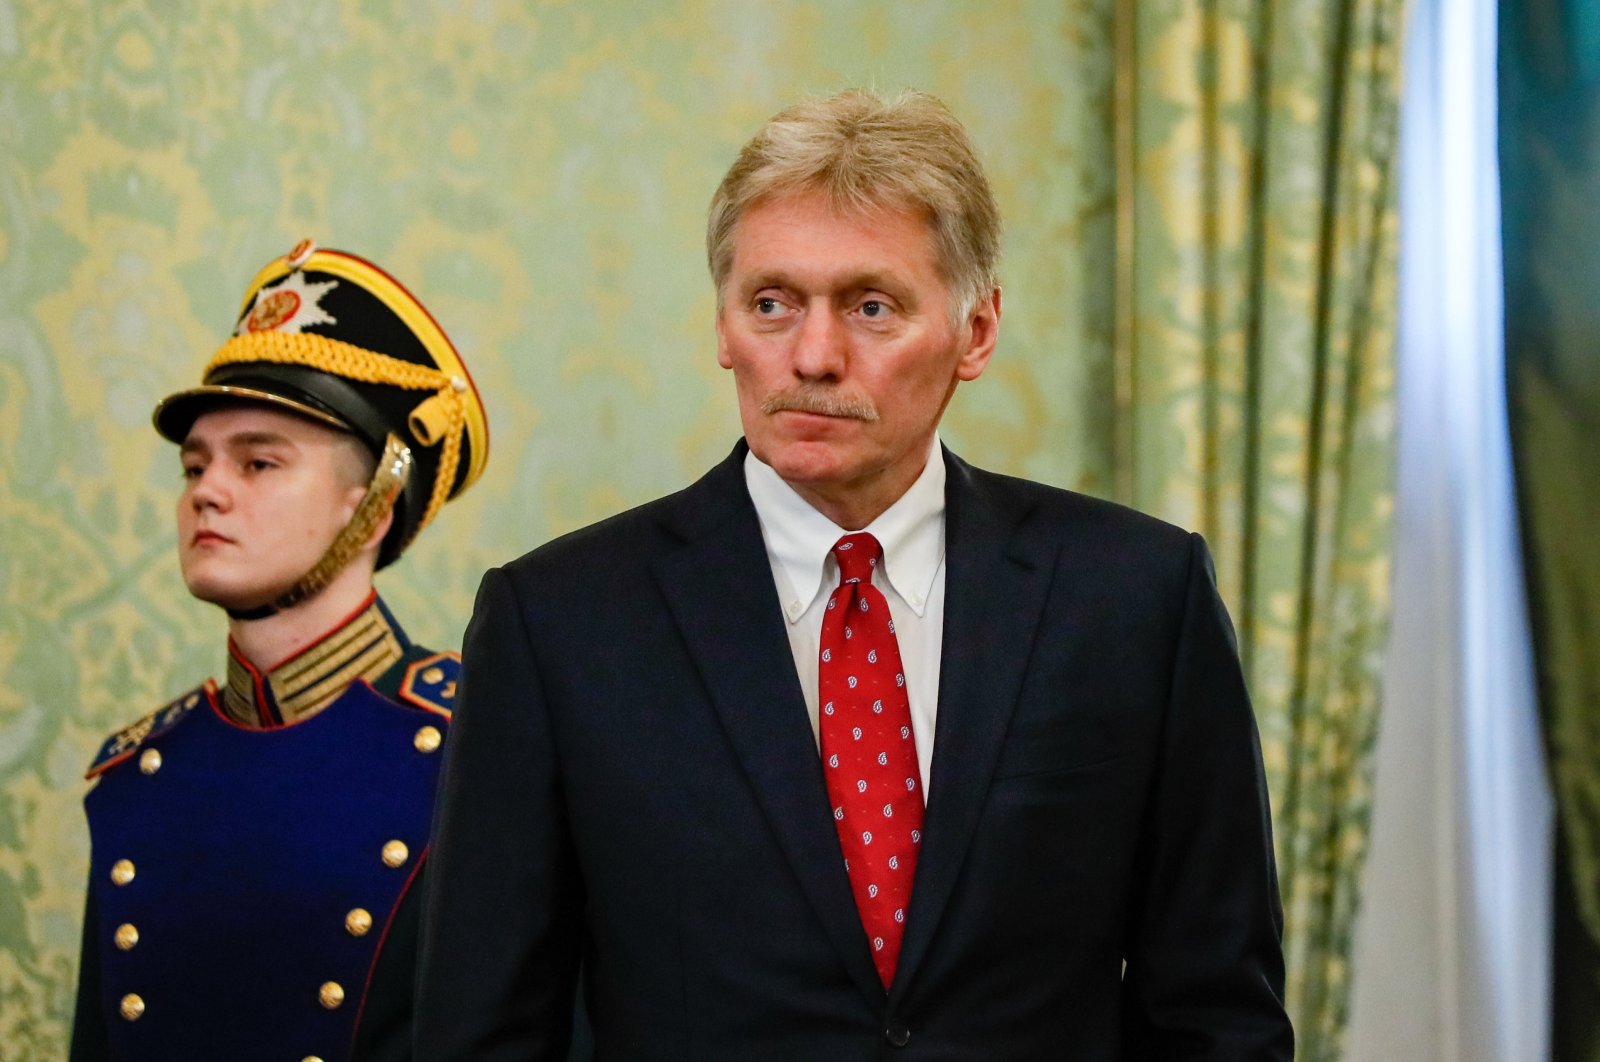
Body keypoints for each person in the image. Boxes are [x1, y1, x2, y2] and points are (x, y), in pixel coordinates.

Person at [417, 89, 1294, 1059]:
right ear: (722, 328)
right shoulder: (560, 625)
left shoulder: (1135, 599)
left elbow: (1218, 1016)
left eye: (871, 307)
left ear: (977, 331)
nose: (813, 355)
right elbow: (483, 1032)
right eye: (771, 304)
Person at [71, 240, 489, 1062]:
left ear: (370, 508)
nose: (207, 490)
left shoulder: (486, 750)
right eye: (195, 466)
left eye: (259, 461)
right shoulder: (136, 774)